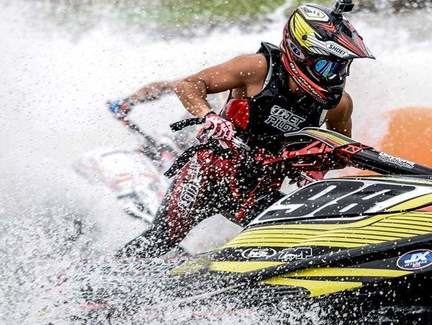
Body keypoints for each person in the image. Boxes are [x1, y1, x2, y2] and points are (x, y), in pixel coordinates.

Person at [113, 3, 374, 257]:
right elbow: (187, 85)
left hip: (255, 189)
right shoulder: (257, 68)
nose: (336, 77)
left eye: (342, 66)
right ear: (299, 52)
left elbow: (337, 149)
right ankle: (99, 286)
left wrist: (315, 171)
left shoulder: (339, 105)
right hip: (207, 174)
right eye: (327, 66)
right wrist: (209, 116)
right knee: (160, 240)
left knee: (299, 241)